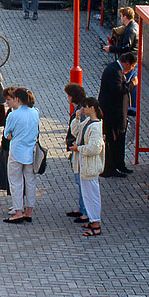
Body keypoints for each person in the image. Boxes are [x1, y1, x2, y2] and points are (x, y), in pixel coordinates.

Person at [1, 87, 39, 222]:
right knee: (30, 181)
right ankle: (29, 211)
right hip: (31, 151)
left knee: (16, 181)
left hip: (17, 151)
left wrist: (12, 135)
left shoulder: (13, 114)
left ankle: (18, 211)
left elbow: (7, 133)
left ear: (17, 99)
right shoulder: (35, 112)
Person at [99, 52, 137, 177]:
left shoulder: (117, 70)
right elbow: (118, 90)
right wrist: (132, 84)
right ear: (127, 63)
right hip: (113, 114)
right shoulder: (114, 71)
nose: (131, 69)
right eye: (131, 67)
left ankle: (120, 165)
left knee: (120, 140)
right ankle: (110, 168)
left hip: (118, 113)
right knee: (113, 140)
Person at [72, 98, 106, 237]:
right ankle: (92, 221)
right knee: (87, 194)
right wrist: (77, 118)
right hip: (84, 164)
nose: (83, 110)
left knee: (92, 195)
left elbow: (95, 148)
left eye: (85, 107)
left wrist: (78, 148)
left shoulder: (96, 126)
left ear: (92, 108)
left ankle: (96, 224)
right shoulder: (87, 122)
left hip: (90, 166)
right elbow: (75, 132)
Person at [64, 84, 89, 223]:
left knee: (81, 181)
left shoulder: (81, 110)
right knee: (79, 181)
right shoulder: (80, 108)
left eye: (68, 95)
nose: (67, 98)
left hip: (79, 149)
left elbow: (80, 130)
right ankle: (82, 208)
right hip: (77, 148)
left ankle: (85, 211)